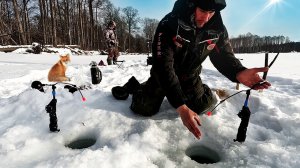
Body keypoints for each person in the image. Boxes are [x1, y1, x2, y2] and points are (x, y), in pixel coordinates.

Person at [112, 0, 271, 139]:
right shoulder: (169, 24)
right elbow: (163, 66)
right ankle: (136, 86)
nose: (207, 17)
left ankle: (202, 91)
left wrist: (239, 72)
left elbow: (223, 56)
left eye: (211, 12)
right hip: (163, 75)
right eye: (203, 10)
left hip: (190, 75)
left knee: (201, 105)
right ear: (191, 5)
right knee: (143, 108)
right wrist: (180, 106)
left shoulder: (218, 29)